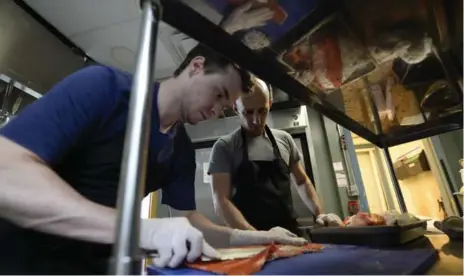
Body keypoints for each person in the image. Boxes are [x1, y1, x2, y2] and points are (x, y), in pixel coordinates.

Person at [0, 44, 306, 274]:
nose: (217, 111)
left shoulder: (180, 145)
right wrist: (144, 230)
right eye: (218, 94)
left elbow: (191, 220)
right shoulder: (104, 88)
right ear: (196, 66)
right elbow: (7, 174)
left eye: (225, 106)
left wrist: (258, 237)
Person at [208, 79, 342, 236]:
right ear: (235, 108)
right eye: (248, 112)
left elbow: (302, 181)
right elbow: (221, 201)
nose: (256, 120)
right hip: (252, 239)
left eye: (262, 111)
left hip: (291, 233)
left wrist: (319, 213)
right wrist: (260, 237)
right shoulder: (225, 147)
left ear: (270, 104)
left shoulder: (284, 140)